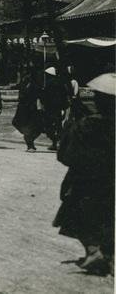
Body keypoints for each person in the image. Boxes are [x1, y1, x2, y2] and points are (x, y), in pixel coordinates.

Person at [53, 73, 115, 275]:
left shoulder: (87, 125)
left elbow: (65, 156)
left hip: (86, 181)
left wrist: (71, 126)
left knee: (77, 216)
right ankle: (109, 255)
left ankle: (94, 251)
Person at [12, 69, 43, 152]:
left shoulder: (29, 84)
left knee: (30, 126)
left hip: (28, 108)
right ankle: (30, 144)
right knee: (29, 126)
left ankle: (30, 143)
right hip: (28, 108)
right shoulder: (31, 84)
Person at [41, 67, 70, 151]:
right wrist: (64, 107)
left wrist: (43, 105)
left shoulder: (48, 84)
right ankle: (57, 142)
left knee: (48, 126)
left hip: (50, 108)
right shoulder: (61, 83)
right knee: (58, 125)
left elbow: (44, 96)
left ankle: (55, 142)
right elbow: (64, 96)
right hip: (59, 108)